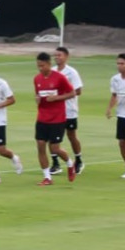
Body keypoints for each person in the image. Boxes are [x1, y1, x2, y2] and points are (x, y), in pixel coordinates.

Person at [33, 52, 77, 185]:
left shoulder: (59, 78)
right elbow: (37, 95)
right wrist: (37, 99)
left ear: (49, 64)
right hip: (42, 118)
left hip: (57, 118)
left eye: (43, 66)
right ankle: (47, 178)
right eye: (38, 66)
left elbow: (73, 93)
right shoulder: (37, 79)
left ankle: (70, 164)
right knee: (41, 146)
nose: (40, 69)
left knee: (55, 149)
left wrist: (57, 98)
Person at [51, 47, 85, 175]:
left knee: (71, 135)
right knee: (52, 137)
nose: (57, 57)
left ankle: (78, 159)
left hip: (69, 110)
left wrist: (60, 96)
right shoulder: (52, 71)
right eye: (55, 55)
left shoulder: (71, 72)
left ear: (66, 57)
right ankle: (55, 163)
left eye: (59, 55)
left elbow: (78, 91)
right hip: (54, 110)